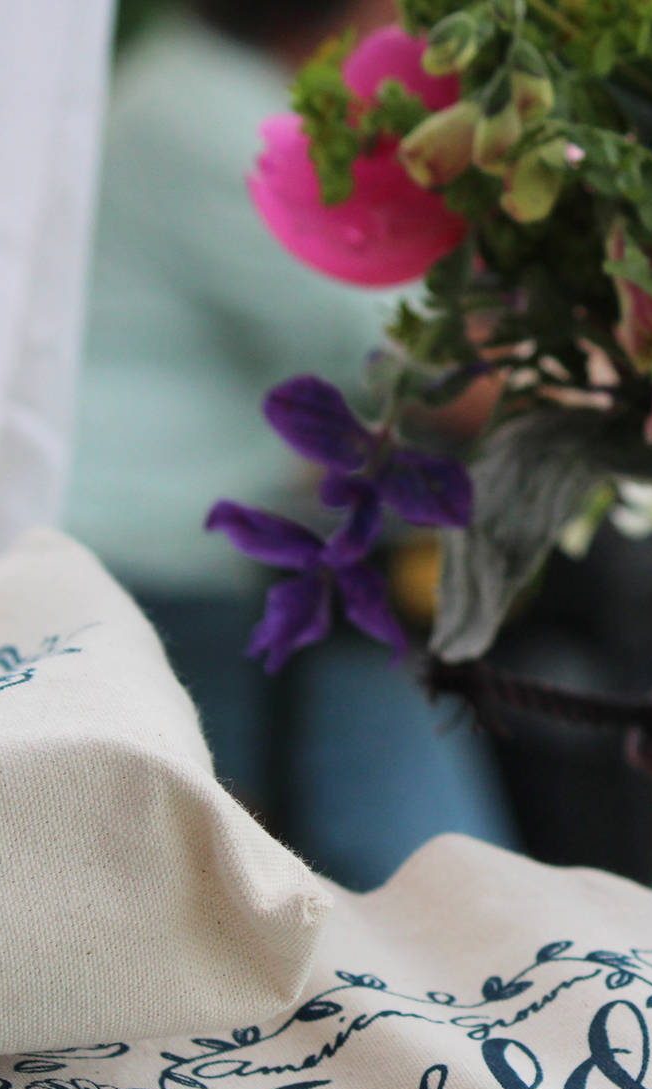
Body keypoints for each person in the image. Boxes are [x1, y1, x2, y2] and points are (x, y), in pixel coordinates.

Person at [65, 0, 513, 888]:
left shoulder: (187, 81)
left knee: (396, 847)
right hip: (167, 580)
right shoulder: (221, 125)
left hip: (211, 564)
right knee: (417, 864)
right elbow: (445, 372)